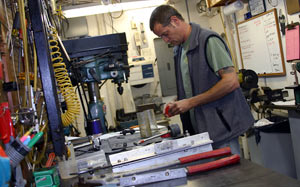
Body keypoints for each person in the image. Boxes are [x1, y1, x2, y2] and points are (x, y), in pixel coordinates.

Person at [150, 5, 254, 155]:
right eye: (162, 37)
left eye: (166, 34)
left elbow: (231, 82)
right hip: (199, 133)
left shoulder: (208, 40)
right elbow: (194, 86)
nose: (166, 40)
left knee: (231, 177)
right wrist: (178, 102)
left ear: (175, 21)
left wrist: (190, 102)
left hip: (221, 129)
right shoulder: (179, 49)